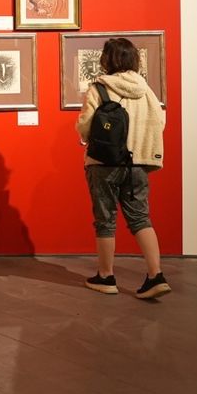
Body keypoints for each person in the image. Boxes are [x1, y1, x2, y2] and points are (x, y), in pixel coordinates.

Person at [74, 37, 170, 299]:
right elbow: (160, 122)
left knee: (105, 220)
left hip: (104, 163)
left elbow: (85, 126)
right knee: (140, 218)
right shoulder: (146, 90)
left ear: (106, 60)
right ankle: (156, 275)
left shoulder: (99, 88)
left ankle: (106, 276)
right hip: (137, 164)